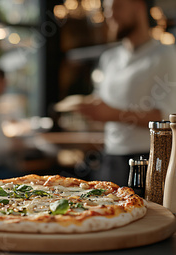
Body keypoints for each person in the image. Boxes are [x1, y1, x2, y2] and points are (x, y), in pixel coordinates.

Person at [74, 0, 176, 186]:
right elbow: (101, 103)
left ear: (139, 6)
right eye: (107, 10)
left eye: (117, 7)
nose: (110, 15)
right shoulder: (109, 58)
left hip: (147, 159)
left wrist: (113, 114)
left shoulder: (166, 55)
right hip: (110, 157)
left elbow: (167, 119)